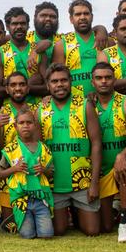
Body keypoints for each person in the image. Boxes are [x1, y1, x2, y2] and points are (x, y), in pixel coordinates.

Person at [38, 64, 102, 236]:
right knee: (58, 230)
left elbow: (96, 144)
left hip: (82, 181)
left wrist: (94, 183)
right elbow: (36, 148)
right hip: (55, 183)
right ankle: (69, 212)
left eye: (64, 80)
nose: (59, 85)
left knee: (92, 230)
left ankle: (76, 211)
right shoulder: (40, 109)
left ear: (71, 82)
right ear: (47, 85)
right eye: (54, 81)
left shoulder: (85, 105)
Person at [89, 62, 126, 242]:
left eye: (108, 77)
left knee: (125, 165)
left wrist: (122, 155)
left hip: (123, 162)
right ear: (92, 81)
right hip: (101, 170)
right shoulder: (88, 104)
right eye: (99, 78)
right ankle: (115, 209)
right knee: (104, 227)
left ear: (114, 80)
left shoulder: (125, 102)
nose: (104, 81)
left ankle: (124, 223)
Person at [0, 109, 54, 239]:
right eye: (21, 123)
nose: (25, 125)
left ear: (35, 125)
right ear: (15, 126)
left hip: (40, 198)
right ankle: (13, 217)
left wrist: (43, 169)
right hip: (21, 199)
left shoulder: (43, 148)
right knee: (27, 235)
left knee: (47, 235)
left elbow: (52, 173)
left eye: (29, 122)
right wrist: (15, 168)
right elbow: (0, 174)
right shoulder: (10, 149)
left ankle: (33, 220)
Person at [0, 69, 34, 229]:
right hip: (9, 174)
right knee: (13, 226)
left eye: (22, 84)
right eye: (13, 85)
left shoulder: (36, 109)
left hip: (32, 172)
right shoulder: (1, 112)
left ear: (28, 88)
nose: (18, 88)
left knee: (31, 222)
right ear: (7, 89)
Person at [50, 0, 110, 96]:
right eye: (78, 14)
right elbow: (56, 76)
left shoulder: (105, 40)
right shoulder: (61, 45)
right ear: (71, 19)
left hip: (103, 101)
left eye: (86, 13)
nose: (82, 17)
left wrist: (101, 28)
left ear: (92, 17)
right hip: (74, 103)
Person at [98, 13, 126, 96]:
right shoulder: (105, 55)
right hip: (114, 105)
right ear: (115, 32)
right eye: (123, 29)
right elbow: (104, 83)